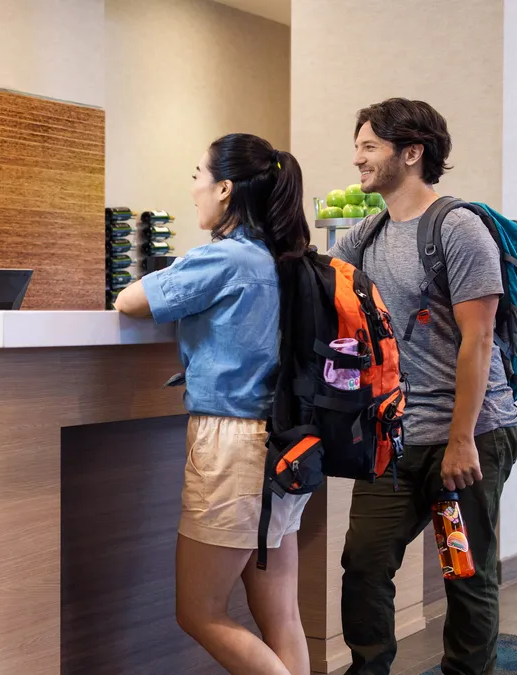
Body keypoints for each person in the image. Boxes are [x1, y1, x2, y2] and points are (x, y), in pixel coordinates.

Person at [328, 98, 517, 675]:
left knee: (464, 571)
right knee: (363, 562)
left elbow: (478, 341)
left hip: (468, 434)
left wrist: (461, 439)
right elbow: (318, 290)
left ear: (411, 153)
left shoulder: (458, 229)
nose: (357, 158)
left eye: (369, 146)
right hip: (394, 437)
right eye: (358, 144)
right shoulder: (363, 237)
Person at [114, 133, 312, 675]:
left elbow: (129, 301)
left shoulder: (224, 259)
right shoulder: (288, 257)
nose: (194, 190)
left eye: (198, 177)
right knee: (283, 618)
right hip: (288, 444)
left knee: (199, 613)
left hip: (232, 445)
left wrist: (174, 271)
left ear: (226, 189)